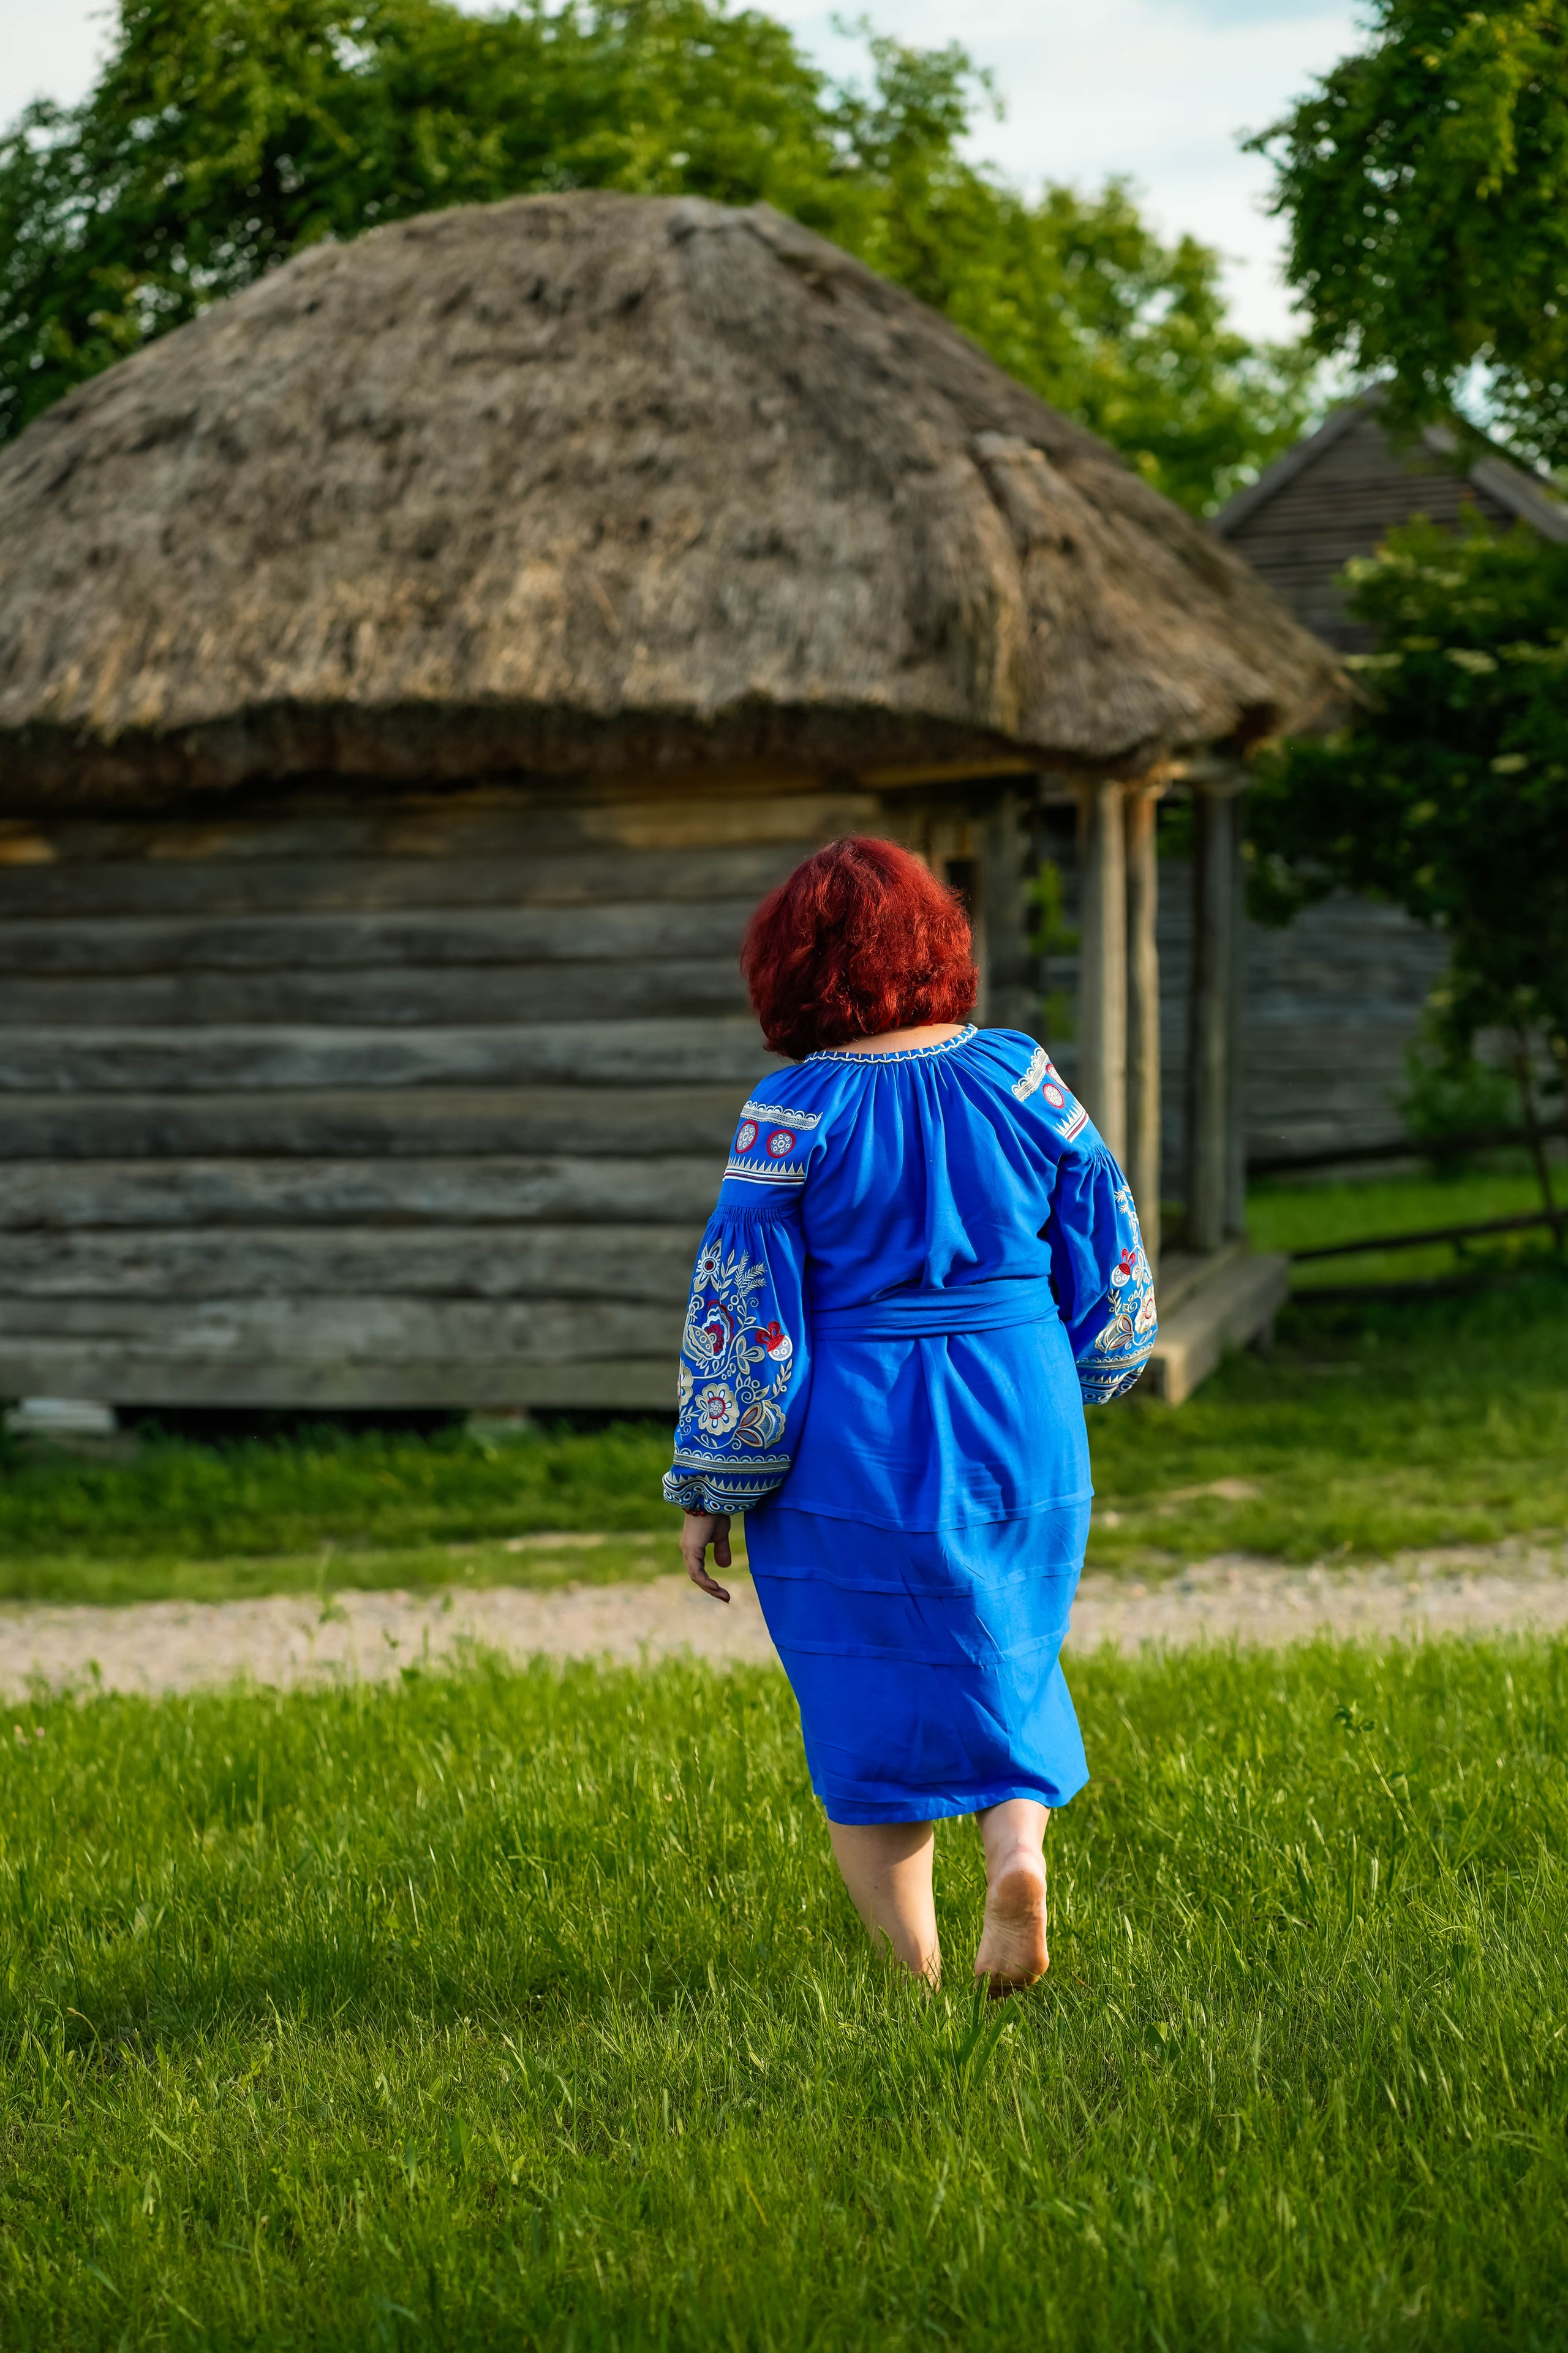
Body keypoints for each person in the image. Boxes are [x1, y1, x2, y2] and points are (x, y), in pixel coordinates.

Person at [662, 837, 1156, 1991]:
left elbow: (746, 1307)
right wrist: (1100, 1355)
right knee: (1009, 1648)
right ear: (935, 944)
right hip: (1018, 1398)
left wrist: (713, 1482)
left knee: (865, 1695)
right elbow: (1105, 1217)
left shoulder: (788, 1113)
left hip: (858, 1425)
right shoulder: (1023, 1075)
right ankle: (1017, 1852)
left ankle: (916, 1983)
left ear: (794, 966)